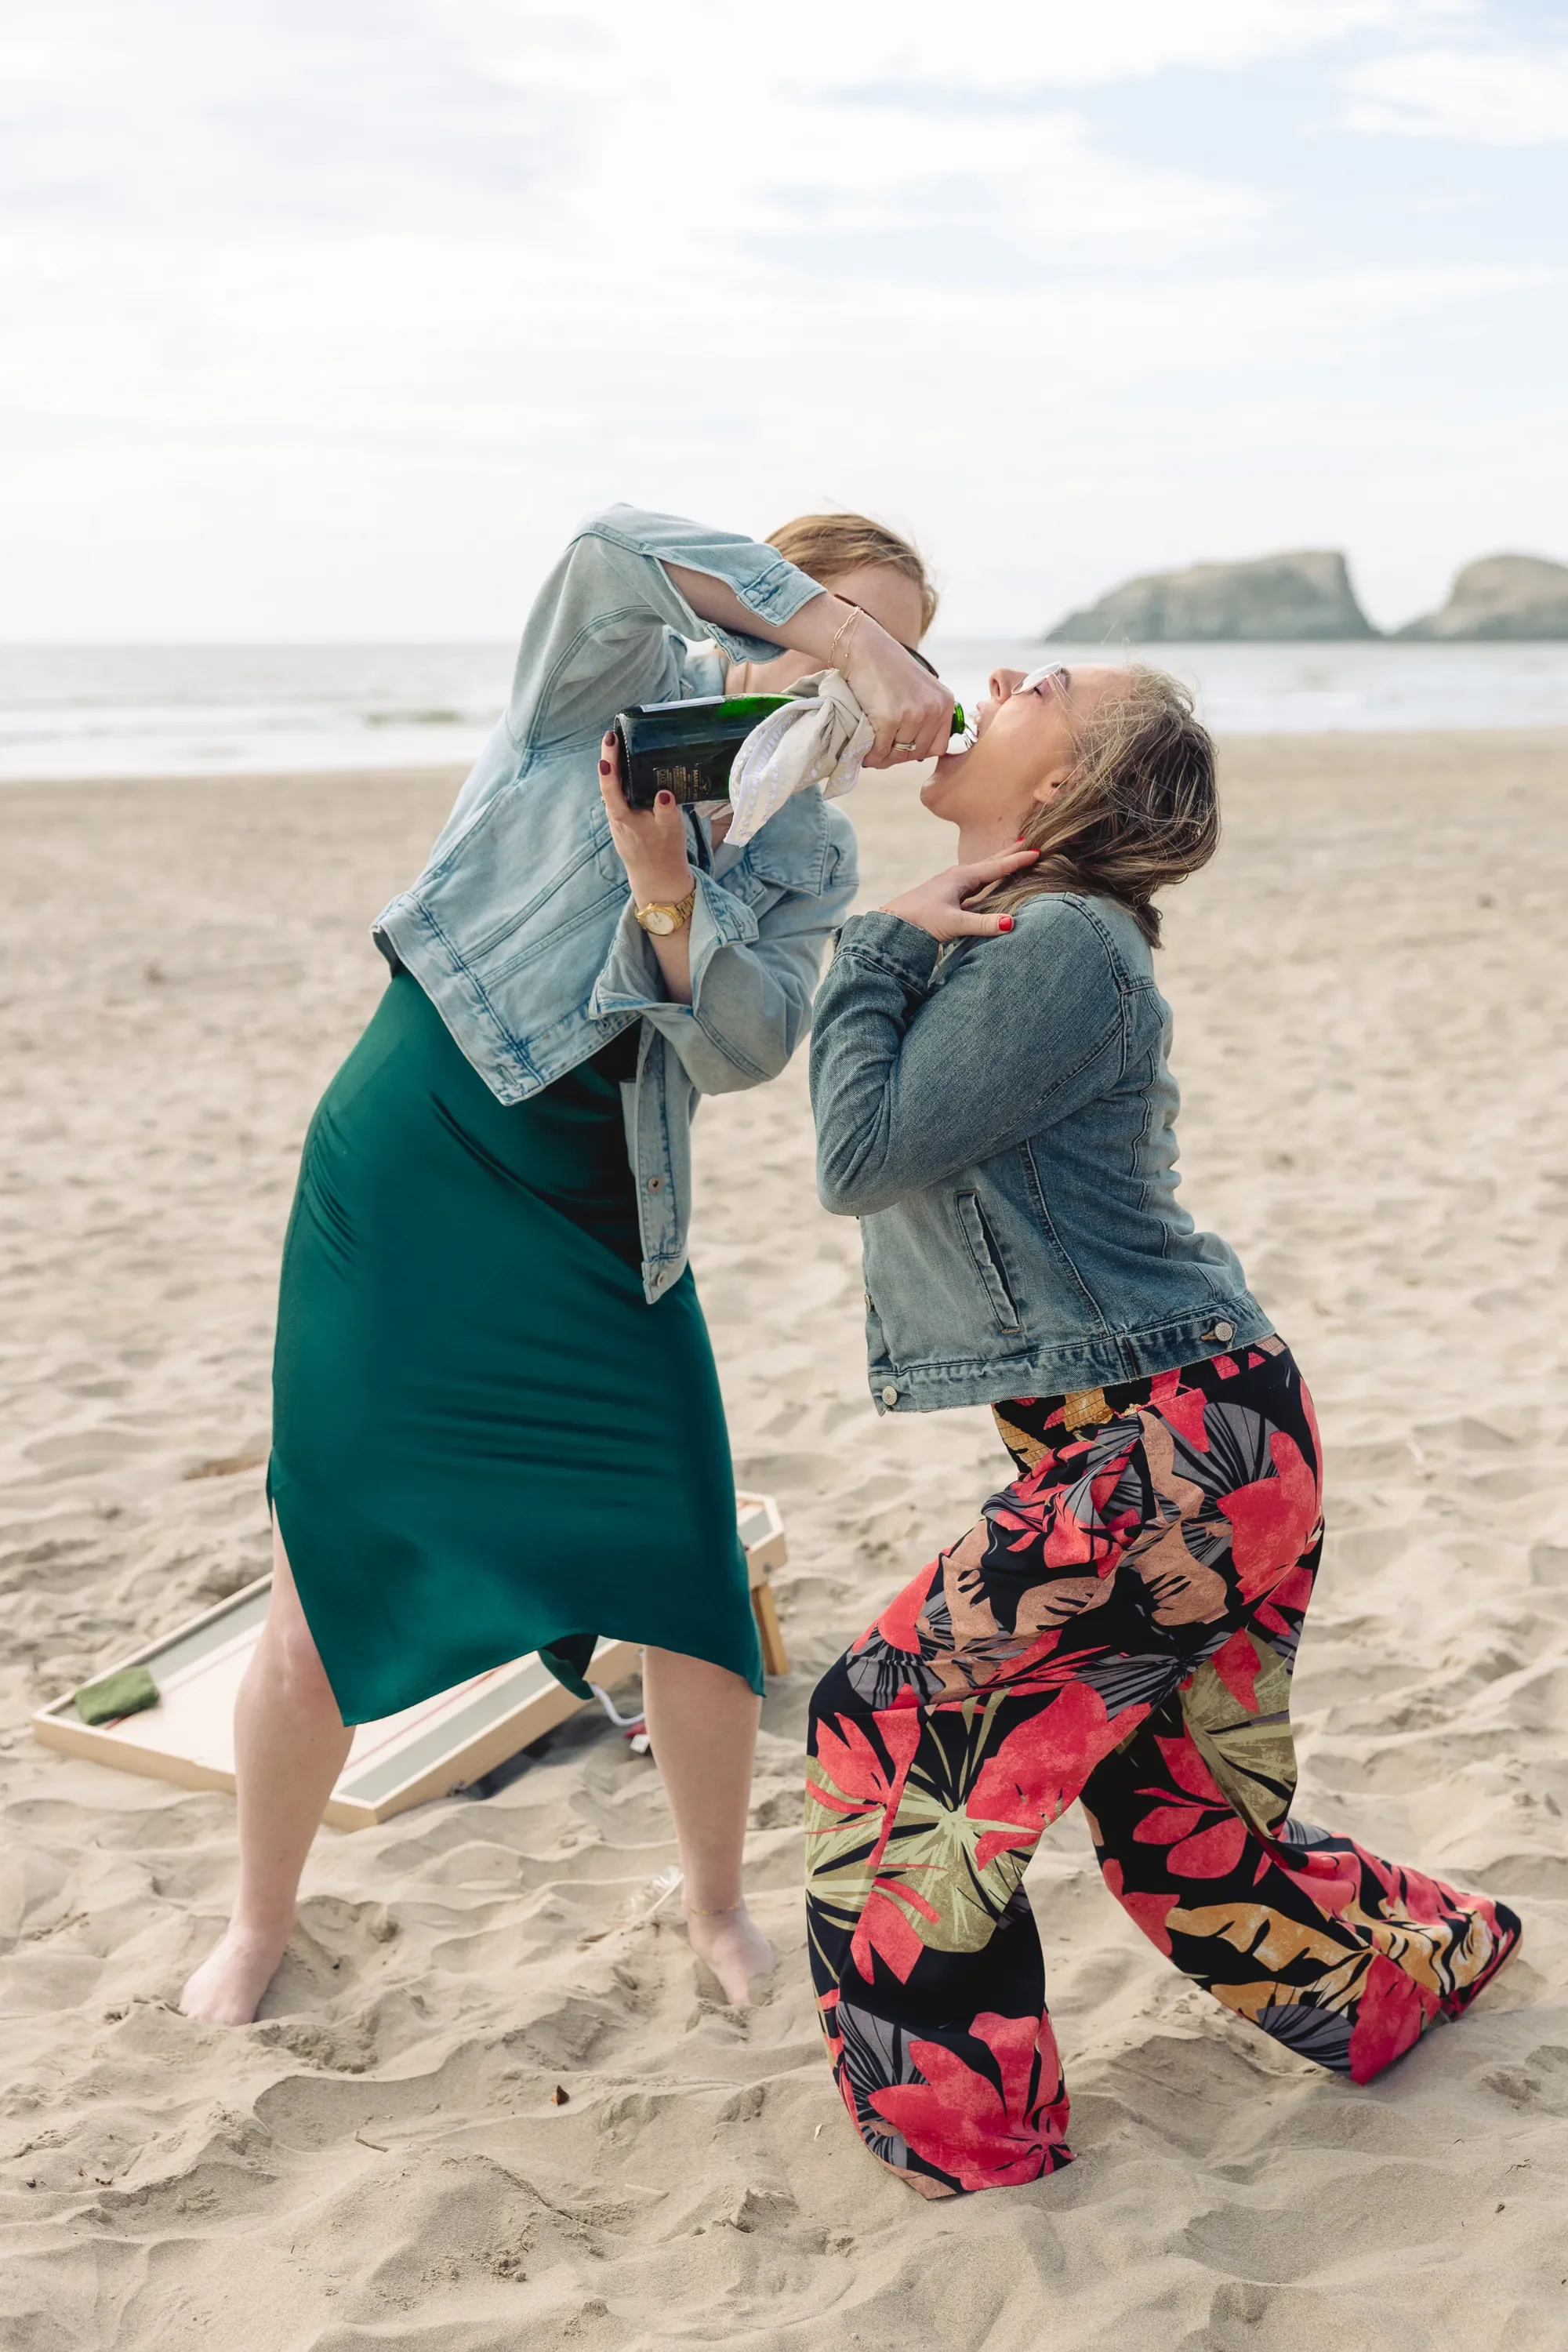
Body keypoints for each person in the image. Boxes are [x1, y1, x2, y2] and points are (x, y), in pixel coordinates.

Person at [180, 503, 953, 2027]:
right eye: (850, 629)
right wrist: (846, 637)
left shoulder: (809, 838)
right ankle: (258, 1922)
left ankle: (716, 1906)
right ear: (769, 611)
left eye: (901, 653)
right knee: (326, 1578)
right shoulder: (604, 683)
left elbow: (745, 1046)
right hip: (414, 1168)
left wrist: (669, 890)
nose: (867, 678)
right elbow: (612, 542)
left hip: (612, 1208)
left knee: (689, 1570)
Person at [803, 659, 1521, 2197]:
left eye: (1046, 686)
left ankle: (972, 2150)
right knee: (1181, 1825)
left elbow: (860, 1157)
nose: (1001, 675)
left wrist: (871, 946)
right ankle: (1423, 1964)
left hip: (1182, 1445)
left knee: (892, 1721)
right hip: (1197, 1434)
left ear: (1066, 787)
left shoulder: (1063, 939)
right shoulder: (1030, 934)